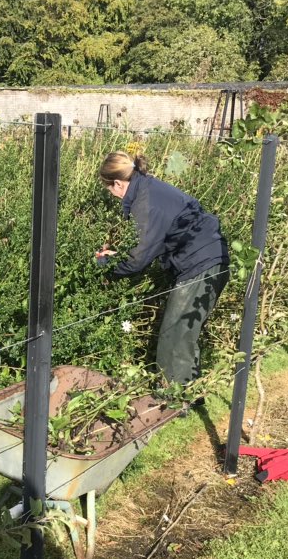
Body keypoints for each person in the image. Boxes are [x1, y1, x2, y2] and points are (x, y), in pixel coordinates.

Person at [96, 150, 230, 390]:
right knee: (184, 334)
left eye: (109, 190)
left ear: (117, 183)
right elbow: (148, 243)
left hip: (200, 263)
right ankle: (191, 396)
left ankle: (174, 401)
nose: (112, 196)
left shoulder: (144, 202)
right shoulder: (147, 188)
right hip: (206, 258)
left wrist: (104, 266)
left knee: (175, 337)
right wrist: (118, 254)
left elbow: (138, 260)